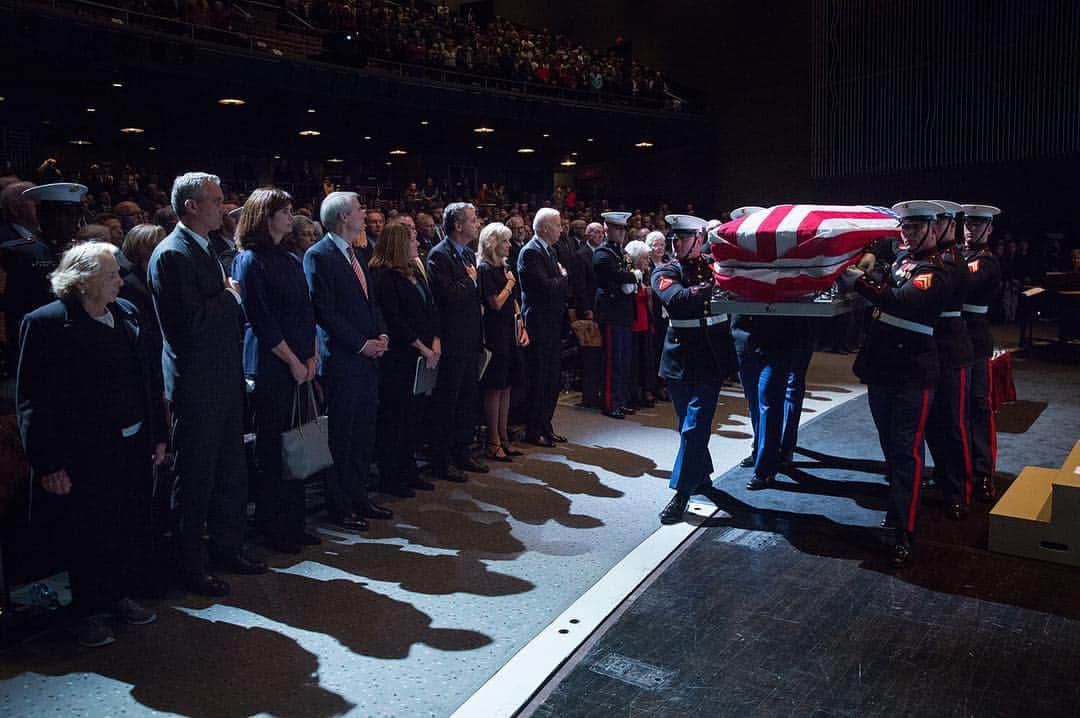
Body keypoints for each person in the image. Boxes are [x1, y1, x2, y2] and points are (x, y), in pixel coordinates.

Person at [17, 241, 167, 646]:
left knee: (124, 522)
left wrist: (157, 434)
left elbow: (149, 379)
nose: (121, 280)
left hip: (132, 441)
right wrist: (48, 464)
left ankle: (117, 595)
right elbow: (34, 399)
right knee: (87, 530)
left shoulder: (127, 313)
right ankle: (86, 610)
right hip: (84, 450)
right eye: (110, 275)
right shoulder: (47, 323)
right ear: (82, 283)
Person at [148, 172, 265, 598]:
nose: (223, 206)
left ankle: (227, 547)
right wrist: (230, 297)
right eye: (215, 200)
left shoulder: (207, 248)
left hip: (224, 378)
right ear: (192, 206)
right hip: (197, 384)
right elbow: (188, 327)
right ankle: (189, 565)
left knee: (230, 471)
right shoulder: (172, 255)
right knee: (195, 477)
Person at [848, 200, 948, 568]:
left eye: (914, 228)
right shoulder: (903, 264)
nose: (905, 234)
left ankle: (903, 528)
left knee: (905, 449)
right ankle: (897, 507)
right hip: (883, 371)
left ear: (932, 231)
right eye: (903, 227)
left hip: (912, 373)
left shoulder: (933, 272)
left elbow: (899, 302)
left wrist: (856, 280)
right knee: (890, 446)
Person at [231, 188, 319, 554]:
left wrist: (311, 356)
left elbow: (305, 311)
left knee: (295, 444)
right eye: (283, 211)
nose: (289, 216)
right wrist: (294, 360)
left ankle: (294, 521)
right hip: (272, 365)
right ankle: (274, 525)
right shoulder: (250, 260)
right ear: (265, 217)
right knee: (273, 448)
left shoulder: (287, 257)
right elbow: (262, 320)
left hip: (299, 363)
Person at [305, 191, 393, 531]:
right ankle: (339, 505)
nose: (364, 213)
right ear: (344, 217)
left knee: (363, 432)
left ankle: (359, 496)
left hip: (369, 357)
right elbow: (324, 311)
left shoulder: (358, 253)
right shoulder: (319, 255)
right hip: (343, 359)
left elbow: (372, 304)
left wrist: (382, 335)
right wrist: (361, 345)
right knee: (342, 436)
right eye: (360, 209)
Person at [652, 215, 736, 524]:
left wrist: (714, 280)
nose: (676, 244)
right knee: (686, 424)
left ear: (698, 240)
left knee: (694, 425)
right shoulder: (665, 270)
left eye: (683, 239)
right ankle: (701, 475)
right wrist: (712, 285)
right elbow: (676, 299)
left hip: (710, 357)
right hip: (679, 357)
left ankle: (681, 493)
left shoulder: (715, 265)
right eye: (674, 239)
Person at [369, 223, 440, 496]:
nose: (417, 244)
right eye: (411, 240)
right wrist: (422, 347)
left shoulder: (415, 273)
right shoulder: (384, 277)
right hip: (400, 357)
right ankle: (392, 475)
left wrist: (435, 342)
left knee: (415, 415)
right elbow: (395, 319)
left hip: (424, 355)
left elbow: (432, 310)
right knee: (395, 418)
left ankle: (409, 469)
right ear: (398, 244)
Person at [921, 200, 976, 519]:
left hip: (952, 349)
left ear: (948, 225)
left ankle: (959, 490)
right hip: (931, 348)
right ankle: (943, 476)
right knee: (931, 423)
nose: (934, 229)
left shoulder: (952, 260)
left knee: (953, 425)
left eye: (937, 223)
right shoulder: (933, 259)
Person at [425, 201, 488, 480]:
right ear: (458, 225)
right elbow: (445, 297)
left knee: (467, 400)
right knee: (447, 403)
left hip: (470, 338)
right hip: (452, 341)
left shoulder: (468, 254)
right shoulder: (440, 255)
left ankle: (463, 452)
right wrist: (468, 281)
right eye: (473, 220)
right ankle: (442, 459)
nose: (478, 224)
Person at [961, 204, 1003, 503]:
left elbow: (965, 285)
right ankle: (955, 467)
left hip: (974, 340)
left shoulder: (985, 262)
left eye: (977, 225)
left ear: (989, 229)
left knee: (978, 407)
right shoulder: (958, 257)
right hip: (952, 339)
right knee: (952, 410)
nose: (970, 229)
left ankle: (983, 471)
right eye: (967, 224)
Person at [518, 208, 568, 446]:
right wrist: (563, 278)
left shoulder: (549, 250)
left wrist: (559, 280)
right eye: (558, 225)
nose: (561, 229)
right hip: (538, 325)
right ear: (546, 227)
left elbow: (553, 285)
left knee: (551, 379)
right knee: (538, 379)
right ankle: (533, 428)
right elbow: (544, 287)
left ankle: (546, 425)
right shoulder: (530, 252)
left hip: (552, 324)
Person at [478, 222, 528, 460]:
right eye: (505, 241)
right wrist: (509, 285)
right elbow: (495, 303)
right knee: (496, 386)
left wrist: (521, 327)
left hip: (509, 330)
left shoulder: (503, 267)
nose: (509, 245)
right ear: (493, 243)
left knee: (507, 385)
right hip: (495, 333)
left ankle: (504, 436)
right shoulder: (486, 269)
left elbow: (514, 303)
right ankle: (493, 440)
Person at [594, 211, 637, 419]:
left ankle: (621, 399)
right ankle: (610, 403)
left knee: (624, 359)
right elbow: (619, 275)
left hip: (624, 313)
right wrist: (632, 274)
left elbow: (628, 273)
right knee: (613, 361)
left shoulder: (621, 254)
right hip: (611, 313)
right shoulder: (603, 253)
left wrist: (630, 273)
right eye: (617, 228)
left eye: (623, 229)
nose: (621, 233)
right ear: (606, 229)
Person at [567, 221, 603, 409]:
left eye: (601, 232)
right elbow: (579, 286)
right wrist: (587, 309)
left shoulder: (602, 253)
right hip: (588, 309)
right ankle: (589, 395)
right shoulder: (581, 255)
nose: (599, 235)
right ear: (588, 235)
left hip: (602, 309)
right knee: (589, 355)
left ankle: (597, 392)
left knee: (599, 355)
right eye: (595, 232)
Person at [624, 239, 657, 409]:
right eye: (644, 258)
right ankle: (633, 394)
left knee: (647, 360)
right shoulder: (631, 273)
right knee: (634, 362)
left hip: (646, 322)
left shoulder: (647, 273)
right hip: (634, 322)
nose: (647, 261)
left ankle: (647, 391)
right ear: (637, 259)